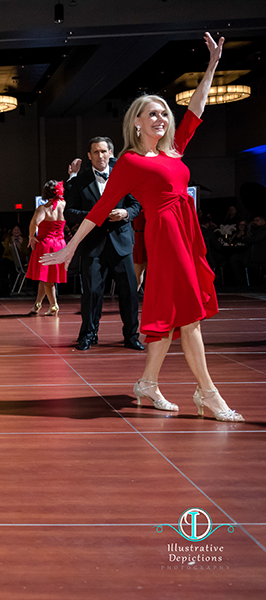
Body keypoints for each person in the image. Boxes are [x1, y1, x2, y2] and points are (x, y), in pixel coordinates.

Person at [42, 33, 244, 423]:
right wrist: (70, 247)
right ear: (136, 122)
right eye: (152, 113)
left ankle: (147, 383)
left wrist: (212, 67)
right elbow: (101, 208)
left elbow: (196, 111)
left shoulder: (174, 150)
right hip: (165, 237)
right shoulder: (131, 162)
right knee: (189, 317)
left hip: (184, 234)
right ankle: (209, 394)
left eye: (164, 113)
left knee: (172, 317)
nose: (161, 118)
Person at [64, 136, 144, 351]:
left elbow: (137, 205)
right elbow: (69, 213)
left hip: (122, 243)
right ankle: (88, 336)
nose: (100, 156)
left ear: (111, 153)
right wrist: (94, 215)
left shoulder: (125, 176)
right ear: (89, 156)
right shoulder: (80, 181)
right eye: (96, 152)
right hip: (93, 245)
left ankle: (131, 336)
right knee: (91, 293)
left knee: (129, 292)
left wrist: (126, 212)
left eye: (104, 151)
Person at [26, 181, 67, 316]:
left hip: (46, 245)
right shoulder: (64, 205)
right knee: (44, 277)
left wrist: (31, 237)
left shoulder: (43, 209)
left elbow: (34, 223)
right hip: (60, 244)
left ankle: (53, 304)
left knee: (46, 278)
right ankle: (37, 304)